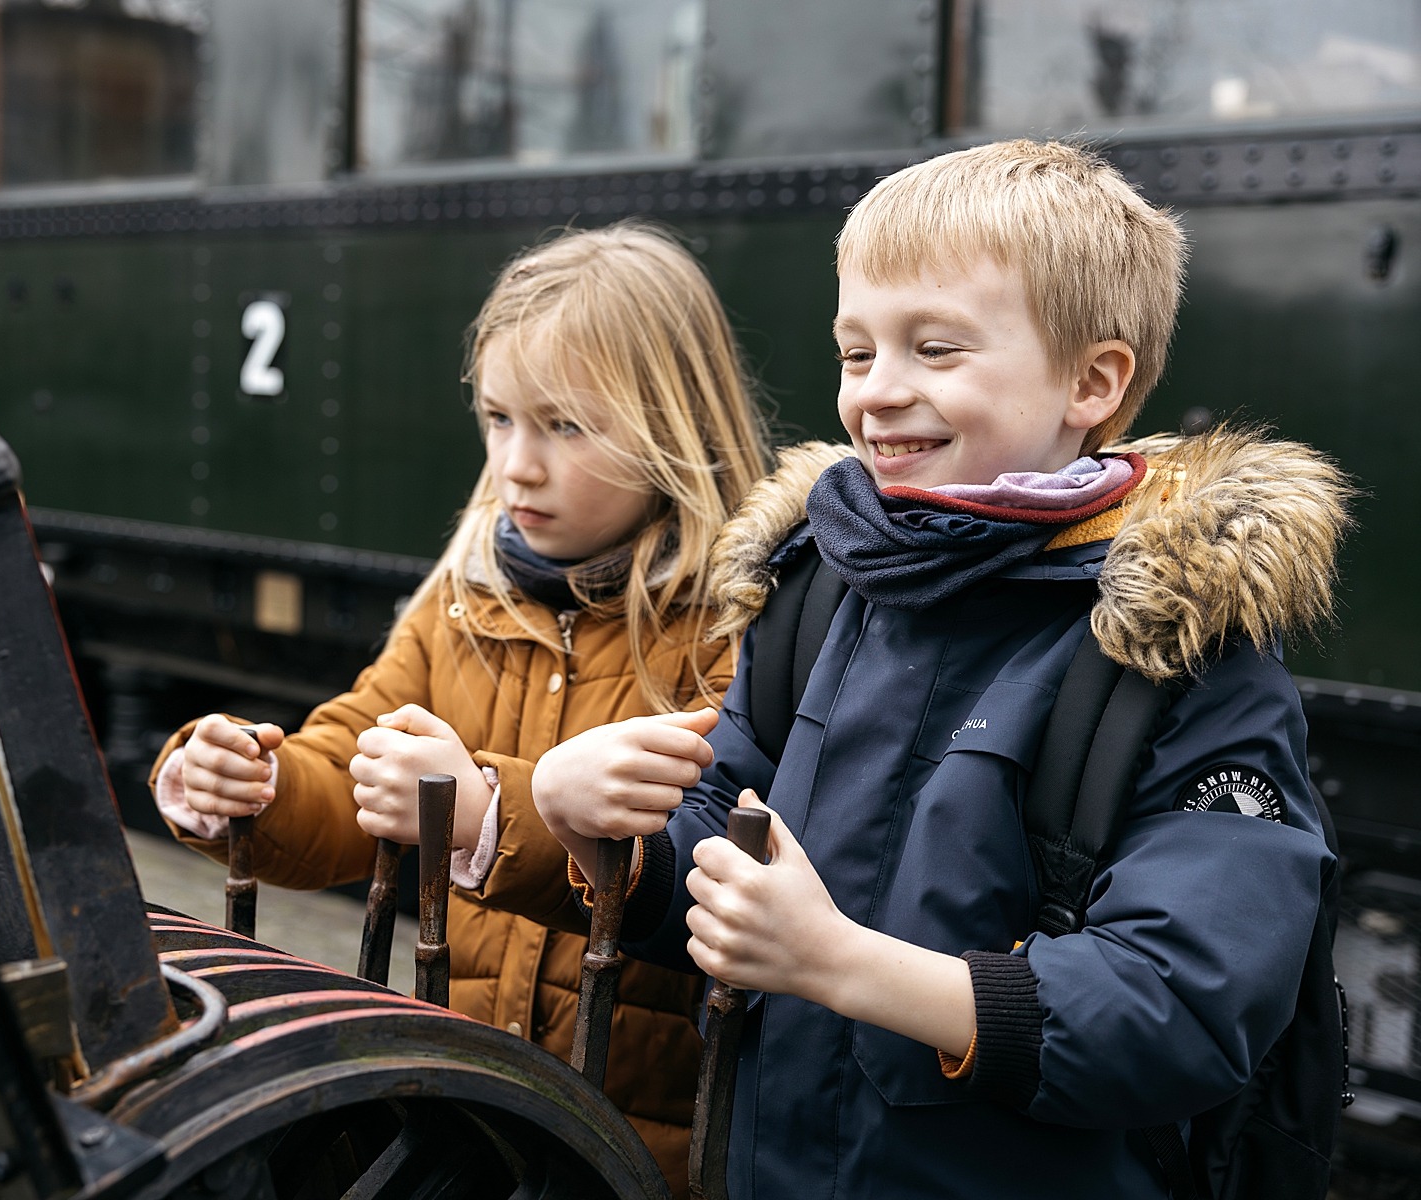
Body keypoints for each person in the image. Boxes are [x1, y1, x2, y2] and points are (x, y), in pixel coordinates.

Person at [533, 141, 1350, 1198]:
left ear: (1091, 381)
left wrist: (839, 964)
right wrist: (610, 837)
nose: (878, 393)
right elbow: (728, 838)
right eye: (856, 352)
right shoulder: (818, 590)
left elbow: (1180, 1006)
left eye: (935, 349)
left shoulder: (1179, 650)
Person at [149, 221, 772, 1194]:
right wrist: (252, 785)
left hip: (641, 1154)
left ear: (672, 424)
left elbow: (703, 865)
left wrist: (481, 810)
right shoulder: (465, 601)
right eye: (499, 420)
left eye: (566, 426)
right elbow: (352, 750)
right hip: (479, 1123)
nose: (516, 465)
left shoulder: (738, 627)